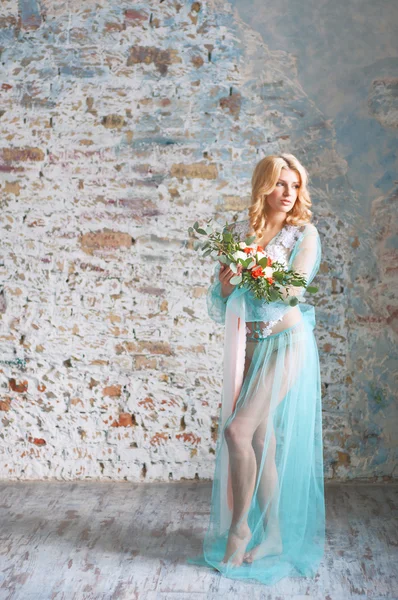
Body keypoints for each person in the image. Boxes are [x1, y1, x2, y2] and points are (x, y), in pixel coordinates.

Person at [187, 153, 325, 585]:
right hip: (251, 346)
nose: (288, 194)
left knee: (237, 432)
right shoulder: (238, 233)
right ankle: (277, 537)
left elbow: (291, 292)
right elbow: (221, 296)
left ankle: (241, 528)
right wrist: (230, 278)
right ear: (264, 186)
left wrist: (252, 269)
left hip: (286, 343)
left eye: (295, 186)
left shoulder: (304, 234)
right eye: (280, 184)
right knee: (260, 438)